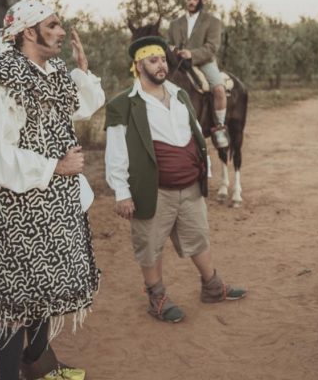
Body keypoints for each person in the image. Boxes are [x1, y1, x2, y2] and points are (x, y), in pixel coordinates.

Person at [0, 0, 104, 380]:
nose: (61, 31)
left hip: (56, 206)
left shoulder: (54, 72)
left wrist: (83, 70)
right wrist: (56, 166)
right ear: (27, 31)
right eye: (52, 25)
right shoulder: (1, 79)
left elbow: (81, 107)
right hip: (16, 212)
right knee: (14, 301)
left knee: (45, 289)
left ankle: (37, 367)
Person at [104, 35, 246, 323]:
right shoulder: (123, 105)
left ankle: (212, 286)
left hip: (189, 184)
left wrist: (204, 169)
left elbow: (194, 132)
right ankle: (156, 297)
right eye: (152, 60)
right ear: (138, 65)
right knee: (150, 244)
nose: (161, 66)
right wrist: (122, 192)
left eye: (162, 60)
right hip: (152, 189)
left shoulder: (180, 94)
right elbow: (116, 151)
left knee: (198, 236)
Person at [167, 0, 229, 147]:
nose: (191, 2)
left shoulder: (213, 22)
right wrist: (172, 49)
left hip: (204, 62)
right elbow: (169, 43)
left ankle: (220, 127)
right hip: (179, 63)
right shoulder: (175, 24)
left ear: (201, 1)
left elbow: (212, 47)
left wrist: (192, 54)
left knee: (219, 88)